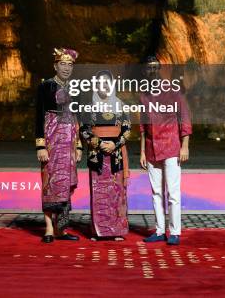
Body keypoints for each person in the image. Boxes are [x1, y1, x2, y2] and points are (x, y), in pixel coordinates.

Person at [140, 56, 192, 245]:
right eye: (148, 68)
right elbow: (143, 127)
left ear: (160, 70)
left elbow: (184, 117)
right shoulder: (144, 95)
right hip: (151, 149)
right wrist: (143, 152)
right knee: (156, 192)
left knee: (173, 192)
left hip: (171, 147)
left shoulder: (172, 92)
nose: (152, 71)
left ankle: (175, 232)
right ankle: (160, 230)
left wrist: (185, 145)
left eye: (155, 68)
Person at [35, 47, 83, 243]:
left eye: (70, 65)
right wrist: (40, 145)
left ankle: (61, 228)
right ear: (55, 65)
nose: (66, 68)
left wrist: (79, 145)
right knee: (50, 184)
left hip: (69, 142)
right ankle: (48, 228)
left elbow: (77, 117)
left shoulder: (76, 88)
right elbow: (38, 116)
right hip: (51, 141)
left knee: (66, 186)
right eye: (63, 64)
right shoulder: (45, 86)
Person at [80, 69, 131, 240]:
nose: (104, 86)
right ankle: (98, 231)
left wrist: (114, 144)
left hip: (116, 155)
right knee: (99, 193)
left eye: (107, 83)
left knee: (117, 193)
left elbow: (127, 130)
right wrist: (100, 143)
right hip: (97, 155)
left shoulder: (121, 105)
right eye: (100, 83)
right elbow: (84, 129)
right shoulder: (89, 107)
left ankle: (117, 231)